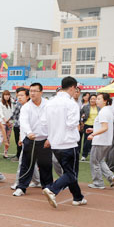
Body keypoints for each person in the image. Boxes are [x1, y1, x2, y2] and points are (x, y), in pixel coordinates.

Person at [43, 76, 86, 208]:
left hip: (55, 143)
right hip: (68, 143)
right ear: (72, 87)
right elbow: (72, 123)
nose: (76, 92)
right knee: (71, 173)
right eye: (76, 89)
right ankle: (52, 189)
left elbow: (44, 123)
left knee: (68, 171)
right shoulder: (71, 103)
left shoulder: (49, 102)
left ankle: (78, 197)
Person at [13, 83, 53, 197]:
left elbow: (53, 122)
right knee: (26, 164)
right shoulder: (26, 107)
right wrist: (28, 133)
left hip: (44, 140)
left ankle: (47, 187)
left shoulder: (48, 105)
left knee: (46, 165)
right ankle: (21, 187)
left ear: (41, 92)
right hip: (30, 140)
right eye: (31, 91)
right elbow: (24, 122)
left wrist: (50, 138)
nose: (32, 93)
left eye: (35, 91)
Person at [86, 93, 114, 189]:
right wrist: (93, 129)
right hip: (106, 141)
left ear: (105, 101)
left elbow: (105, 128)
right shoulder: (107, 111)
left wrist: (93, 134)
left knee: (94, 161)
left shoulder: (103, 111)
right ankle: (110, 176)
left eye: (99, 99)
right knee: (100, 160)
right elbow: (103, 127)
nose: (96, 100)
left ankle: (98, 183)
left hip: (100, 141)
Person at [80, 94, 99, 161]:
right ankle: (84, 155)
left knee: (96, 140)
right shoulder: (85, 107)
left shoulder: (99, 107)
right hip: (87, 125)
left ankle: (94, 154)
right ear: (89, 100)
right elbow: (80, 114)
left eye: (94, 99)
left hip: (96, 126)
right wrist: (81, 122)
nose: (92, 100)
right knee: (87, 140)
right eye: (91, 99)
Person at [0, 90, 13, 159]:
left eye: (8, 95)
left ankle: (5, 153)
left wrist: (9, 121)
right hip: (3, 123)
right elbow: (1, 114)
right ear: (3, 96)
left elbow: (12, 113)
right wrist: (5, 121)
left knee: (8, 139)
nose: (7, 96)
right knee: (1, 139)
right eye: (5, 95)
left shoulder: (11, 104)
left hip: (10, 123)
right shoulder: (0, 104)